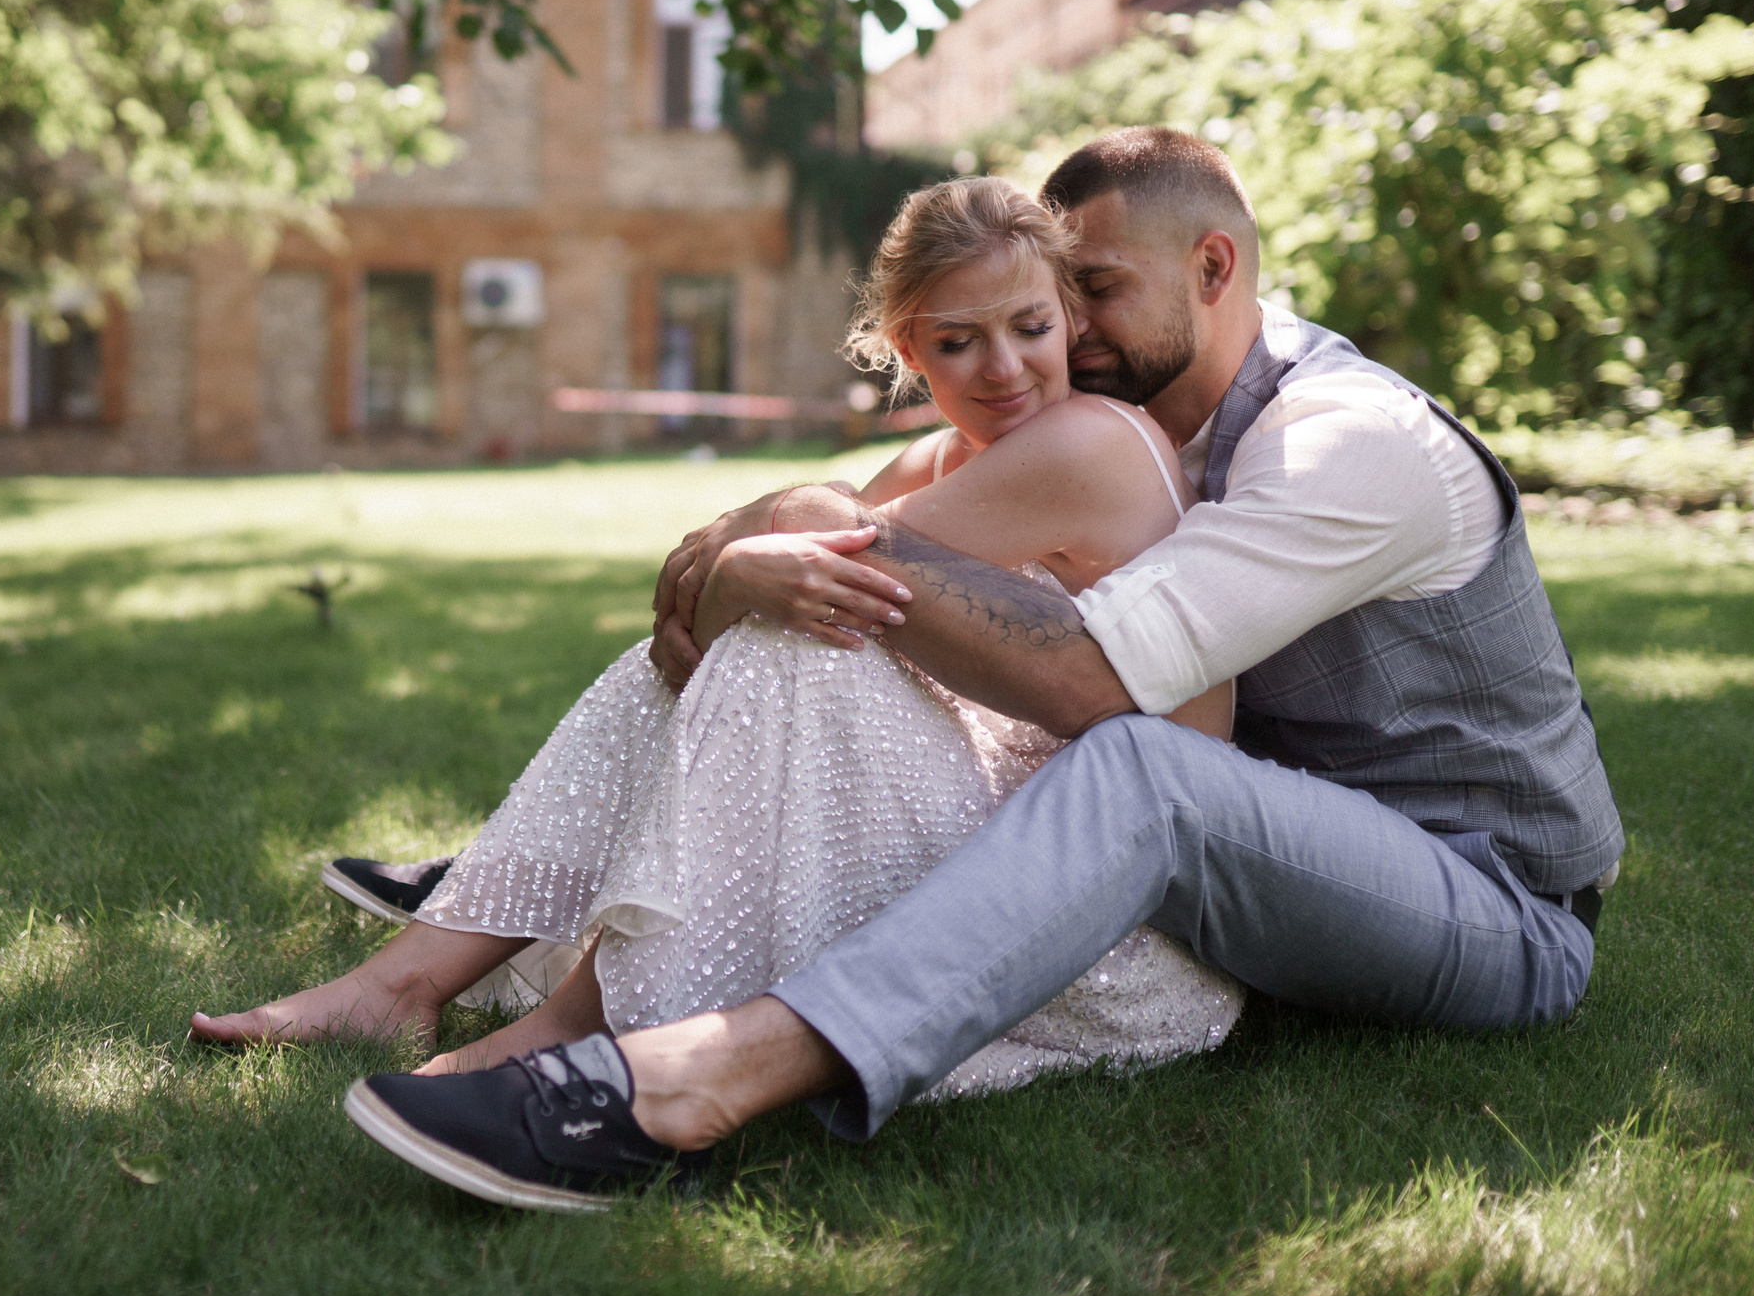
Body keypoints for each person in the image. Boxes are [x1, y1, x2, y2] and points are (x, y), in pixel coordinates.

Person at [340, 125, 1623, 1214]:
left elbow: (1083, 679)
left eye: (1091, 291)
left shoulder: (1348, 445)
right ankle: (507, 905)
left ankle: (702, 1077)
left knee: (1134, 764)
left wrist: (768, 537)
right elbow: (893, 531)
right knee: (841, 630)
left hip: (1483, 899)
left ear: (1213, 267)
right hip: (1276, 862)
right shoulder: (1153, 417)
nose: (1064, 326)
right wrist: (772, 535)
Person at [192, 176, 1243, 1102]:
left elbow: (783, 558)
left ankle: (565, 1025)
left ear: (1066, 314)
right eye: (956, 342)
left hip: (1107, 938)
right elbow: (727, 590)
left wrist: (732, 561)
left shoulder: (1087, 442)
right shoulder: (944, 457)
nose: (1002, 367)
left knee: (799, 638)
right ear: (907, 350)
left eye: (1027, 326)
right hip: (1008, 864)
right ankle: (405, 986)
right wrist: (735, 568)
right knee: (786, 631)